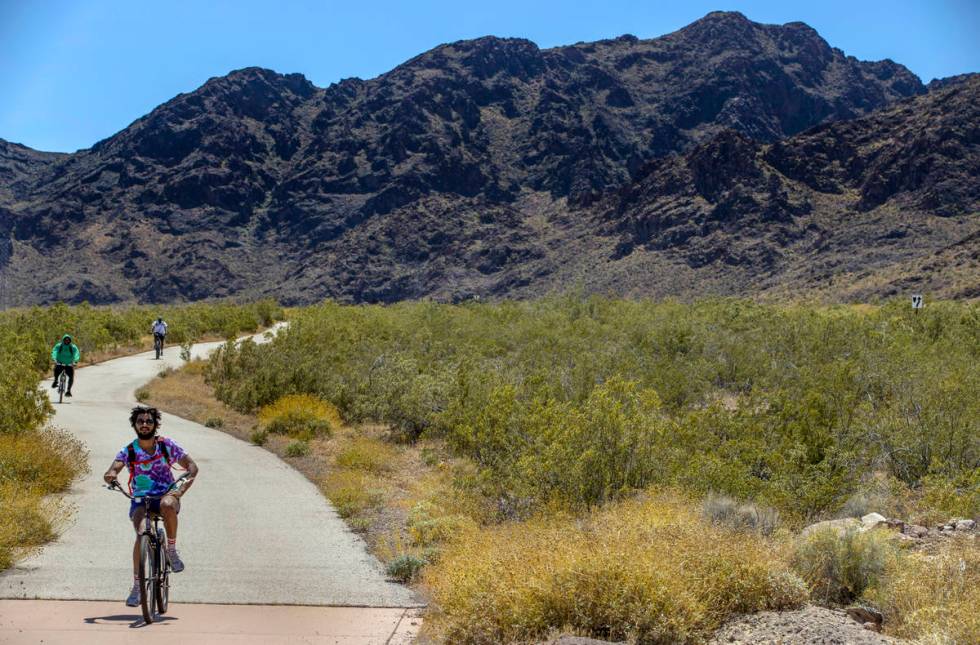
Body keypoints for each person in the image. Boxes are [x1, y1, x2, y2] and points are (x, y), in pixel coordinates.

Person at [102, 406, 199, 607]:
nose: (144, 425)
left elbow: (192, 467)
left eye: (149, 421)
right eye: (140, 422)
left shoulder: (166, 445)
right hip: (141, 499)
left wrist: (180, 490)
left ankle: (171, 550)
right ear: (134, 425)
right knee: (141, 534)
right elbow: (113, 468)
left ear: (155, 425)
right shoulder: (129, 450)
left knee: (168, 504)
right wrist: (111, 475)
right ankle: (137, 587)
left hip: (166, 493)